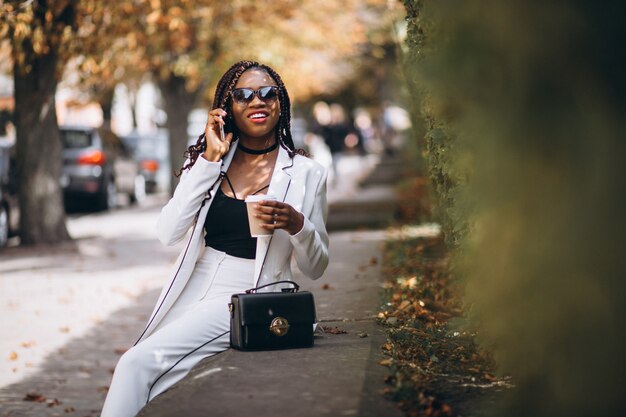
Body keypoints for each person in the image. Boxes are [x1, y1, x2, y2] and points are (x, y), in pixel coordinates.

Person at [101, 60, 329, 417]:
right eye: (243, 95)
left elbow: (316, 268)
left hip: (249, 295)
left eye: (268, 93)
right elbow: (168, 233)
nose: (258, 101)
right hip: (194, 285)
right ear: (228, 108)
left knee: (135, 365)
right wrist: (208, 159)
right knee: (158, 382)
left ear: (280, 104)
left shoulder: (306, 174)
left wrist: (298, 224)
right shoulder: (211, 163)